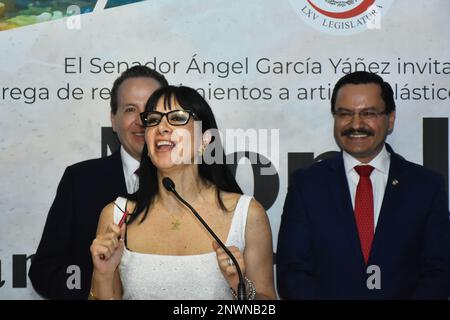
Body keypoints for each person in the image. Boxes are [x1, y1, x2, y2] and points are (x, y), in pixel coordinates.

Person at [89, 86, 276, 300]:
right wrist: (102, 275)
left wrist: (239, 286)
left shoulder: (247, 214)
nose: (162, 127)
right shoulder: (116, 217)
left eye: (177, 118)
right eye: (153, 119)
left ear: (205, 140)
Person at [276, 71, 450, 299]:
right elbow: (292, 273)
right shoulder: (306, 186)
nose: (356, 124)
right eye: (345, 114)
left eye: (368, 113)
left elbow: (438, 274)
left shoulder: (427, 187)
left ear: (390, 119)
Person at [29, 66, 168, 299]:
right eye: (130, 109)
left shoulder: (200, 182)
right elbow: (46, 270)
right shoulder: (80, 181)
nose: (142, 121)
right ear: (113, 120)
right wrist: (99, 289)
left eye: (151, 110)